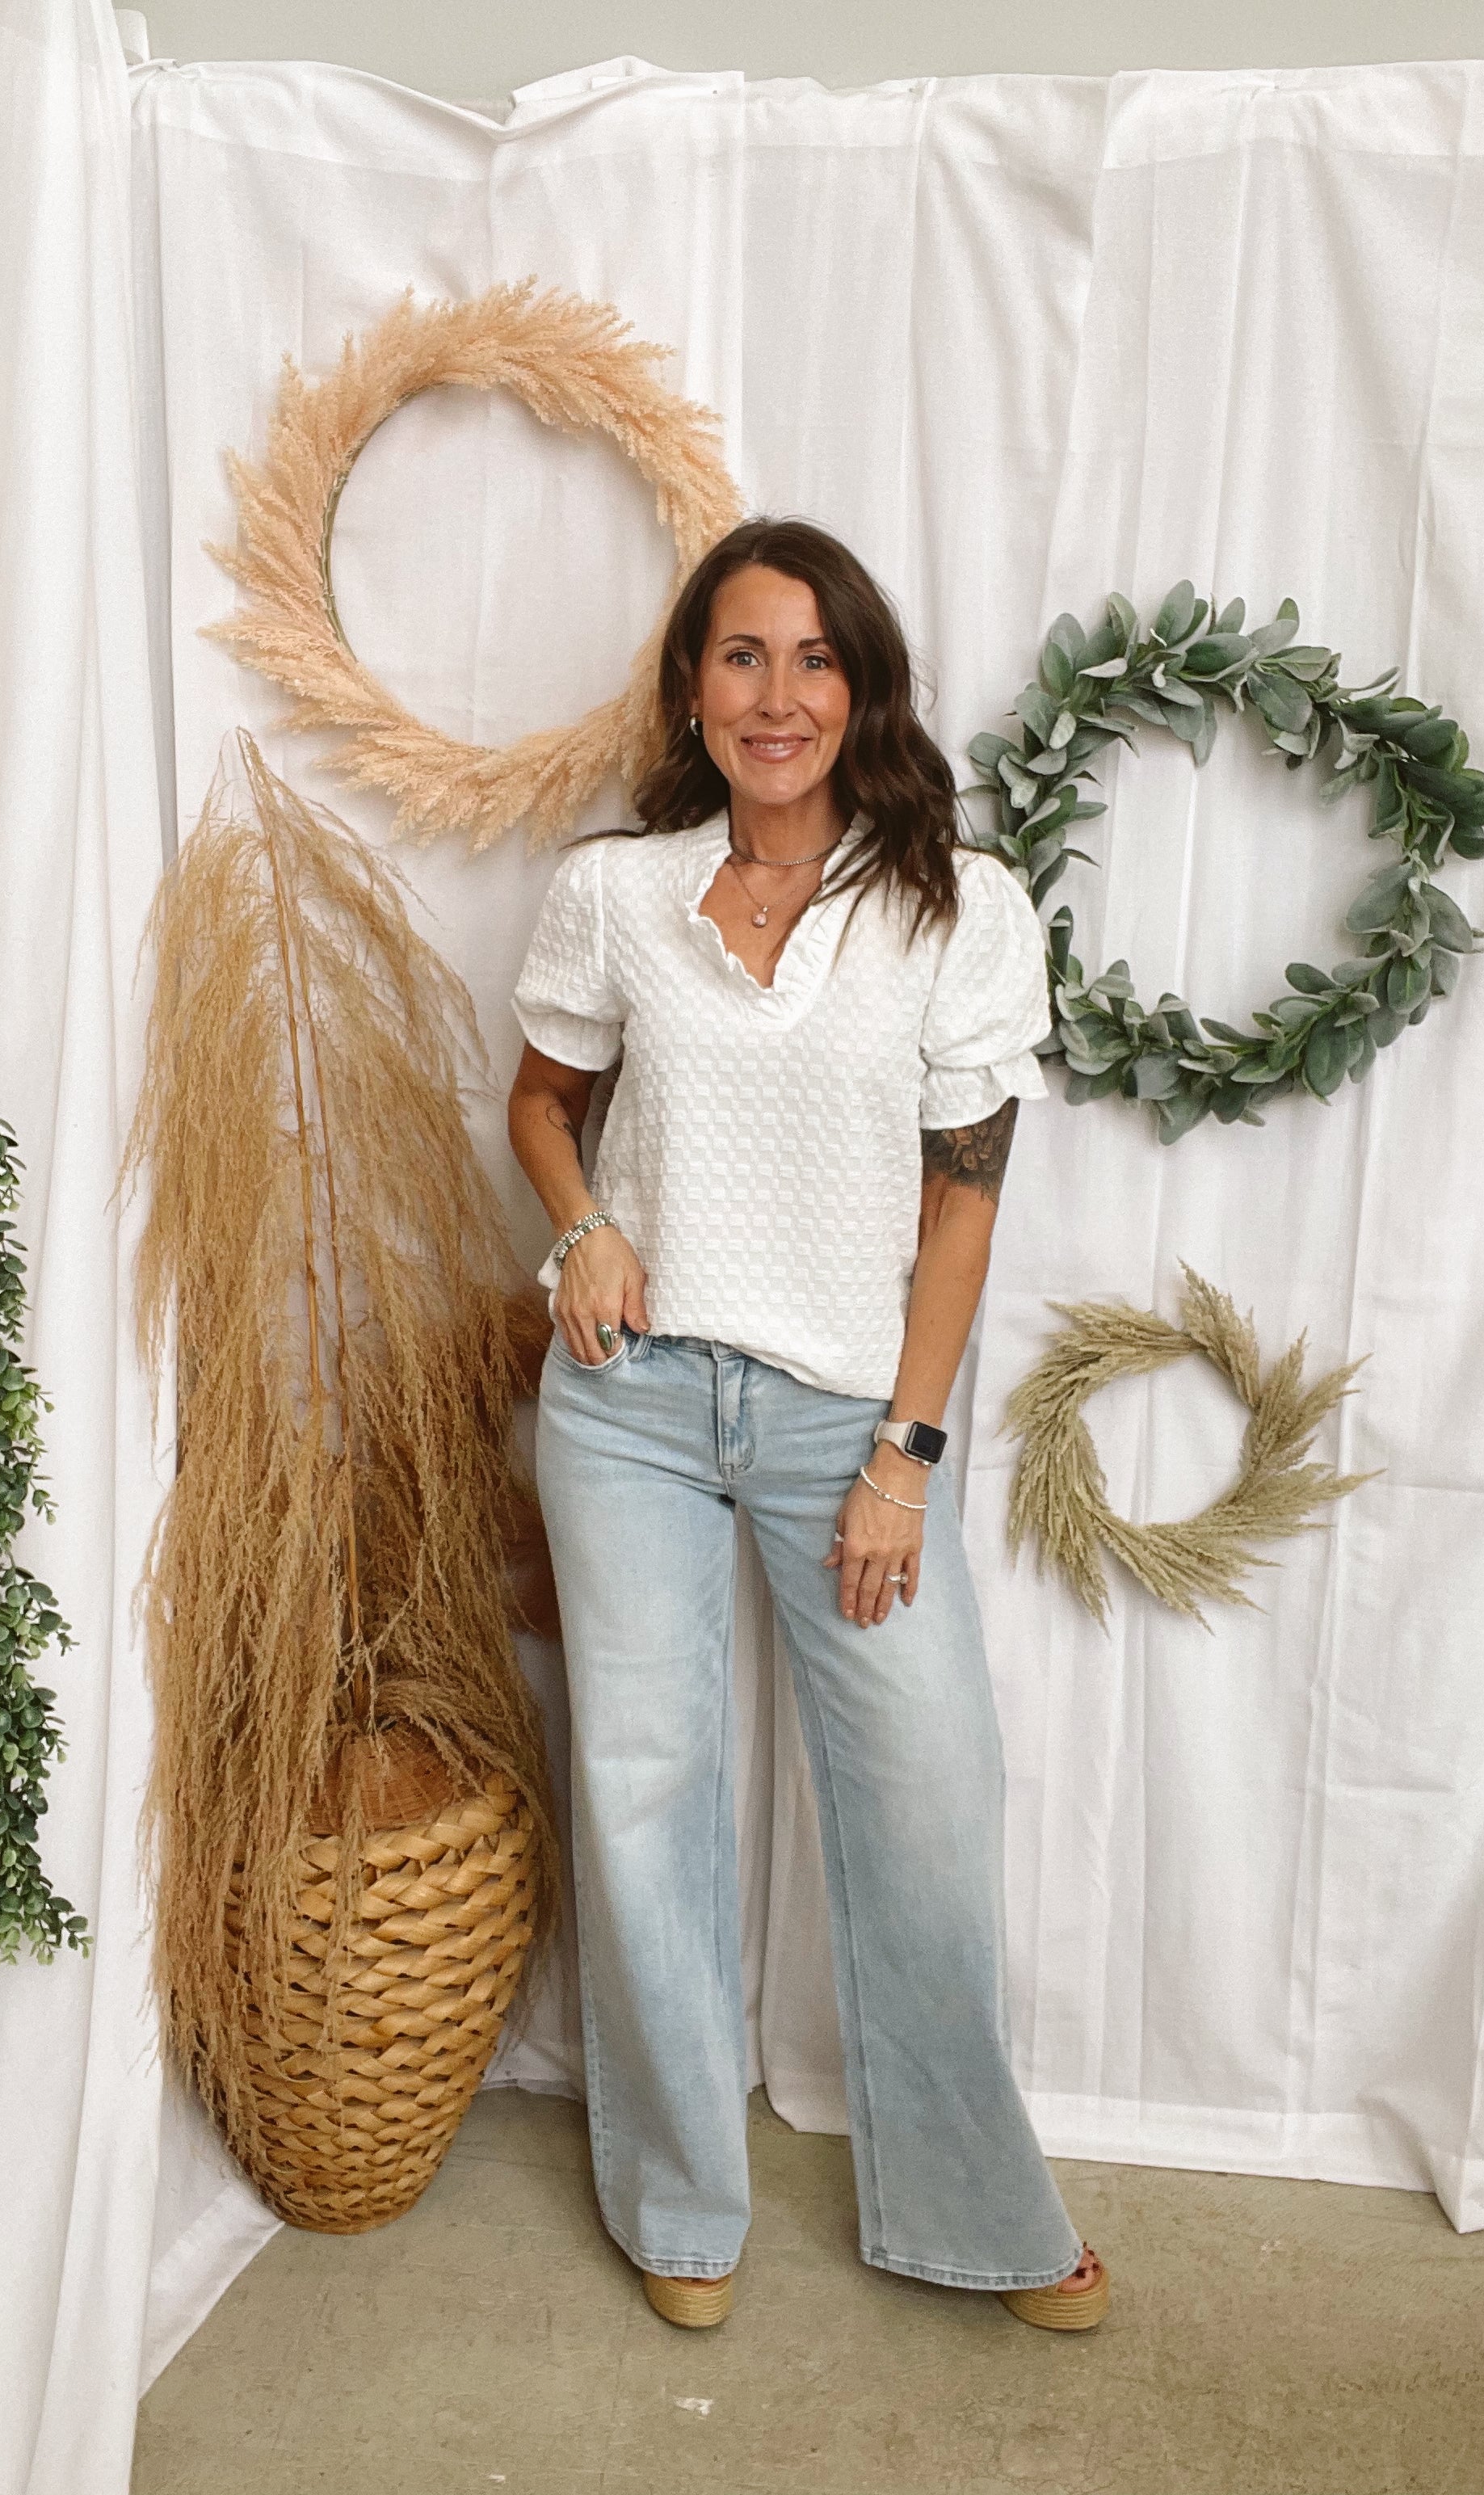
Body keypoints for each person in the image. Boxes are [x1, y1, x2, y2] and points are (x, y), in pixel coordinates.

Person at [507, 516, 1108, 2334]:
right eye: (744, 656)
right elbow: (542, 1101)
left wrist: (904, 1456)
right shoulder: (617, 890)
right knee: (645, 1786)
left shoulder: (953, 906)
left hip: (850, 1415)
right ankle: (681, 2200)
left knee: (926, 1795)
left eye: (815, 658)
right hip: (625, 1405)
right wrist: (586, 1224)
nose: (779, 695)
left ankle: (978, 2208)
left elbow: (965, 1207)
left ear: (865, 687)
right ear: (696, 686)